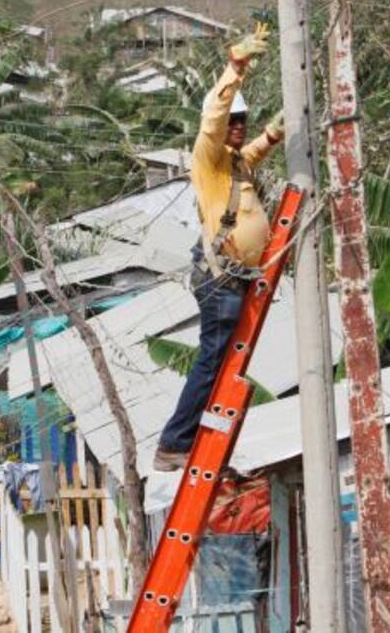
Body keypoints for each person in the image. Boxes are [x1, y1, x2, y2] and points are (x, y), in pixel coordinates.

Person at [153, 23, 284, 472]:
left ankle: (203, 441)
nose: (236, 128)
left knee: (223, 366)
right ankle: (175, 442)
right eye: (234, 123)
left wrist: (274, 132)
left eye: (242, 123)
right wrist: (236, 68)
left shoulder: (234, 162)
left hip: (236, 281)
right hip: (220, 279)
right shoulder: (209, 159)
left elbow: (255, 151)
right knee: (211, 362)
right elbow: (213, 116)